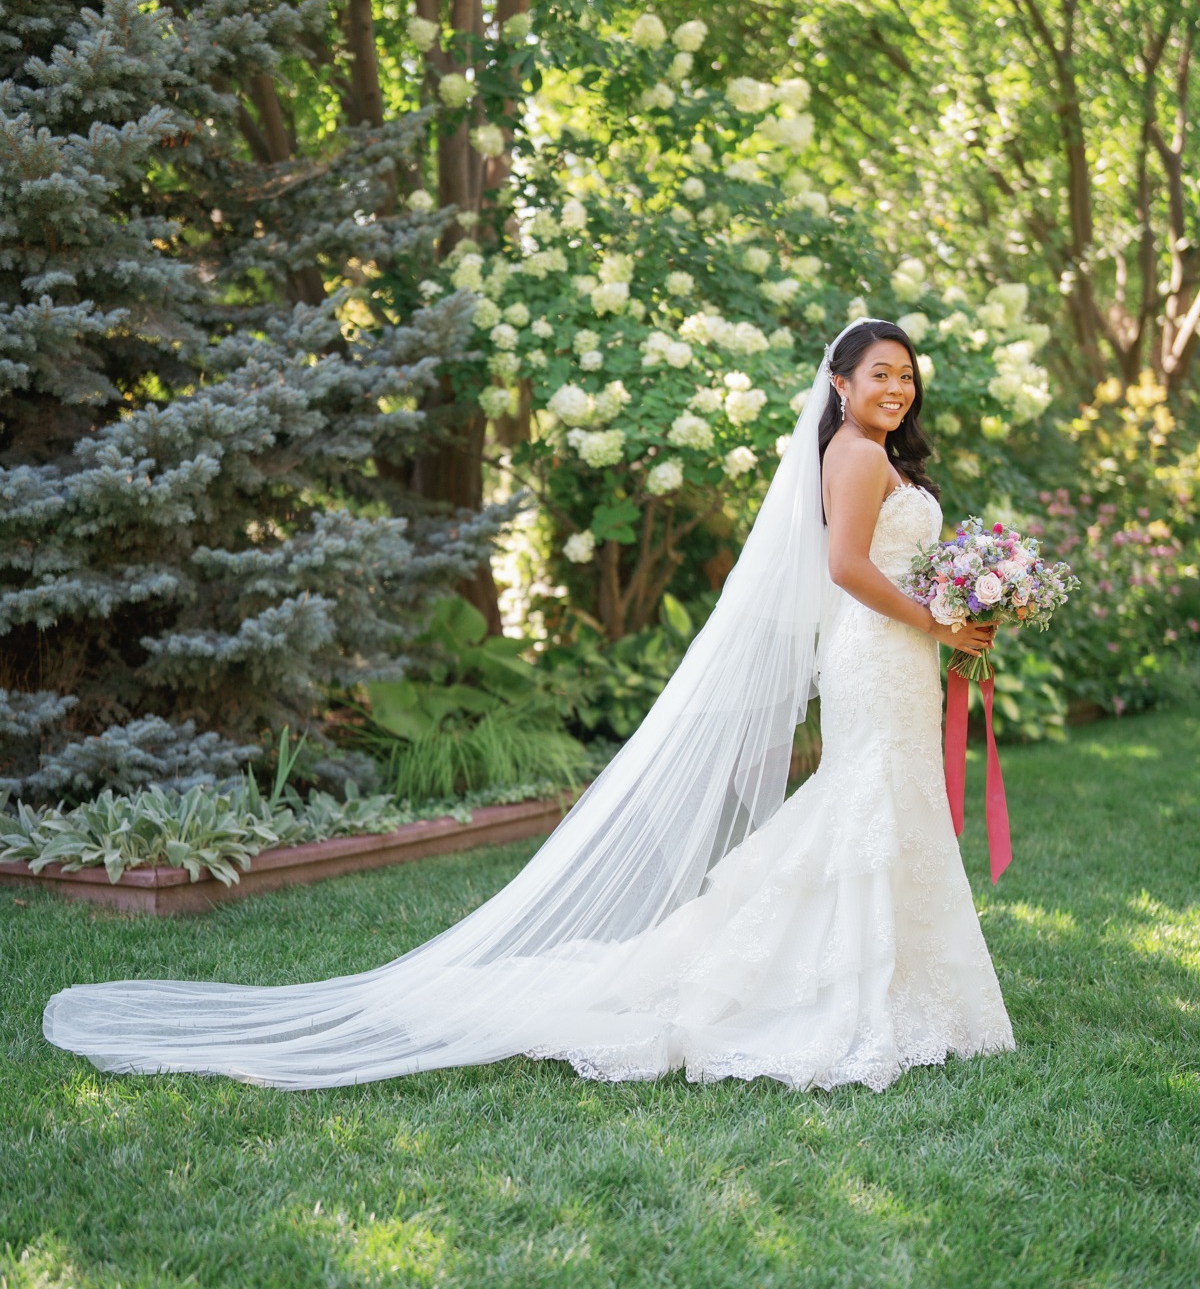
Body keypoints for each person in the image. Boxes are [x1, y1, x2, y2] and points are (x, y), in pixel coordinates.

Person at [43, 317, 1016, 1092]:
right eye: (878, 373)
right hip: (877, 650)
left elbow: (879, 562)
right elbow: (846, 567)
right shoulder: (850, 452)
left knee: (888, 804)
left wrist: (959, 602)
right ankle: (828, 990)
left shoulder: (881, 458)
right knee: (866, 800)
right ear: (841, 384)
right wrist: (940, 618)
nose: (895, 388)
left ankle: (903, 987)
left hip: (896, 653)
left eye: (906, 374)